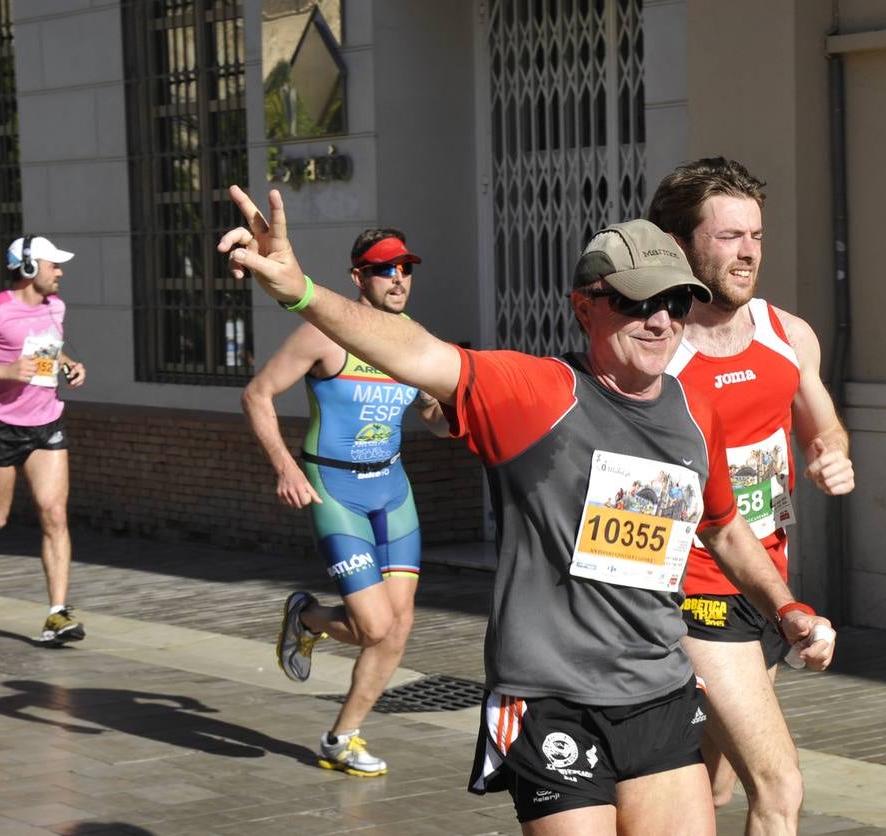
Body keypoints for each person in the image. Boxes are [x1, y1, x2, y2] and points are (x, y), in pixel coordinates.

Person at [219, 187, 835, 835]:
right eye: (635, 302)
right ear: (585, 307)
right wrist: (300, 291)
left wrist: (784, 607)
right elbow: (414, 351)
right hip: (552, 704)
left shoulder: (692, 411)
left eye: (675, 303)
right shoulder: (538, 394)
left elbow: (723, 528)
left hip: (658, 693)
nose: (659, 321)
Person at [650, 157, 855, 834]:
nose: (748, 253)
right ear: (680, 244)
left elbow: (822, 427)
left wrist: (832, 455)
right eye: (729, 236)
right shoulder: (656, 352)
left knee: (708, 789)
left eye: (756, 236)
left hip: (765, 583)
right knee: (778, 787)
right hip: (693, 589)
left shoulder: (786, 334)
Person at [243, 227, 449, 777]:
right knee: (374, 626)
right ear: (359, 277)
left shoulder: (415, 339)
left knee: (397, 628)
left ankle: (341, 737)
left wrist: (448, 410)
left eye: (405, 268)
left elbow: (433, 418)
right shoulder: (323, 335)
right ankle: (307, 616)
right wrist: (285, 467)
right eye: (385, 270)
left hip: (392, 490)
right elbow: (257, 394)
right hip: (336, 491)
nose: (398, 279)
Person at [0, 234, 88, 644]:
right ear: (28, 268)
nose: (60, 272)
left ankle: (57, 615)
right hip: (1, 424)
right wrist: (5, 371)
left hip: (47, 421)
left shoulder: (55, 307)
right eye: (53, 265)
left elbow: (49, 350)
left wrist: (69, 364)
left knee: (55, 514)